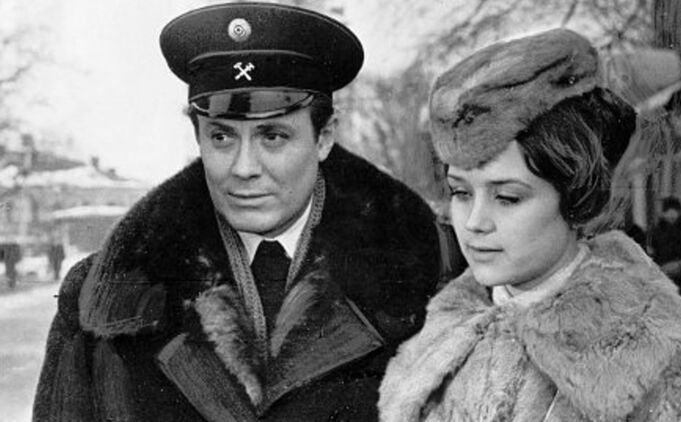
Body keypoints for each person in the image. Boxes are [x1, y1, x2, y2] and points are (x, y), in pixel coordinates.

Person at [33, 3, 444, 421]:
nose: (244, 168)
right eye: (222, 137)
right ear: (198, 137)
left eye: (273, 136)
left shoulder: (432, 282)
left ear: (324, 138)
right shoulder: (101, 303)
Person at [379, 29, 681, 421]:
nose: (475, 223)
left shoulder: (666, 362)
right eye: (461, 192)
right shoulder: (435, 345)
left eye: (507, 197)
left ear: (575, 198)